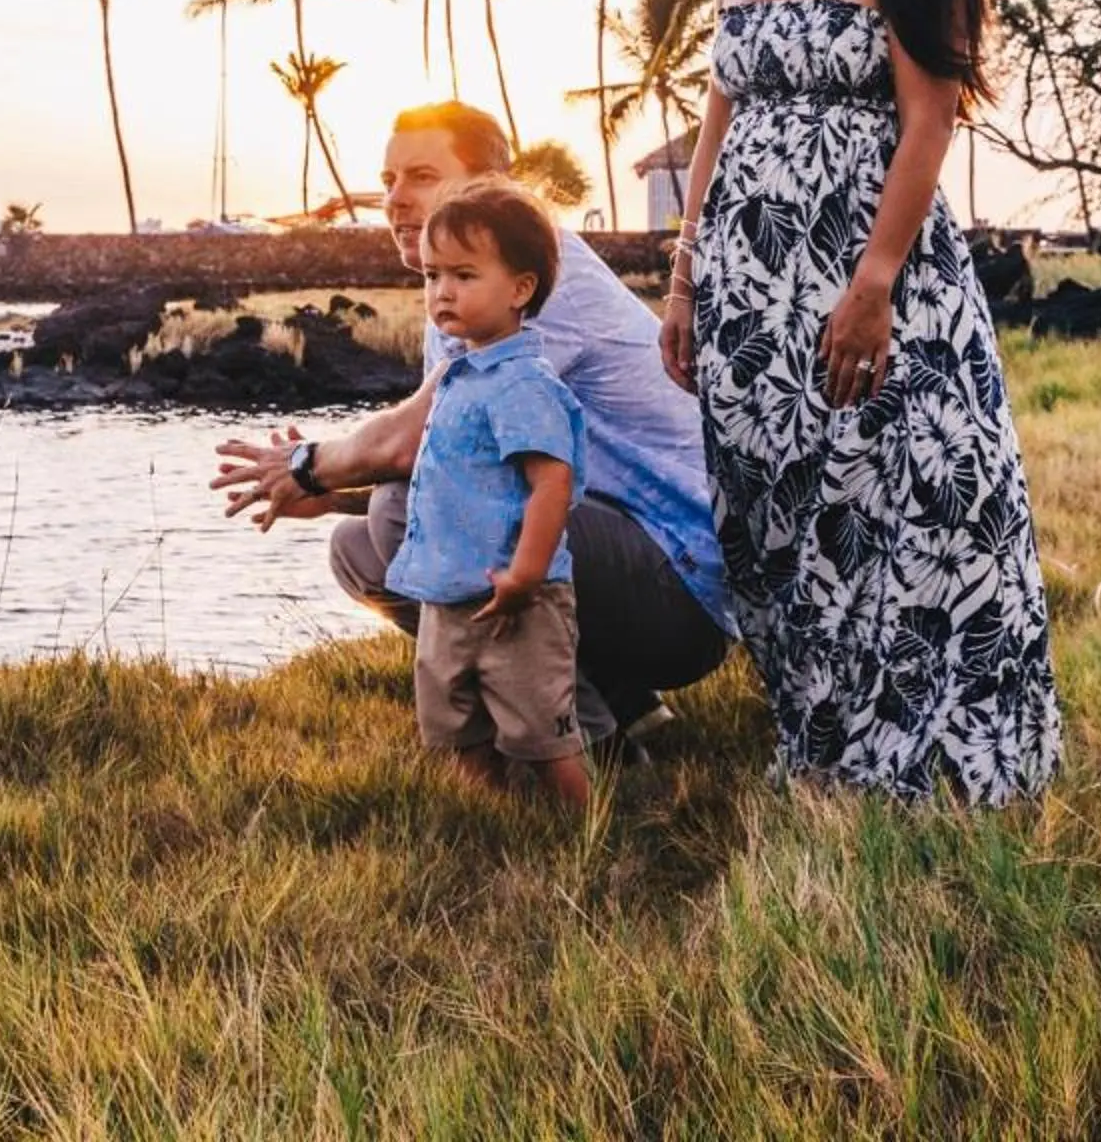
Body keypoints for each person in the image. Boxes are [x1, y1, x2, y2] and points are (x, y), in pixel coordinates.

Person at [660, 0, 1060, 806]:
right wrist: (685, 275)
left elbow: (929, 119)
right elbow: (717, 123)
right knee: (776, 516)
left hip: (876, 279)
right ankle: (824, 747)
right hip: (749, 291)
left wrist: (874, 284)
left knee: (918, 498)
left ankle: (941, 761)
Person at [213, 101, 734, 752]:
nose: (397, 200)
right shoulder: (464, 294)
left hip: (676, 585)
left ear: (493, 187)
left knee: (405, 508)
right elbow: (457, 455)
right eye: (389, 180)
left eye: (423, 177)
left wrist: (305, 464)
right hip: (608, 555)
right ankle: (620, 707)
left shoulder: (538, 275)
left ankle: (586, 745)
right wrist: (322, 495)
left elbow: (413, 445)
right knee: (358, 550)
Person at [392, 177, 592, 808]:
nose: (442, 292)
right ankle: (491, 818)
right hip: (448, 588)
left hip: (517, 597)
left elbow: (551, 480)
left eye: (464, 275)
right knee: (453, 724)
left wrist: (526, 574)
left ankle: (576, 825)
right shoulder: (460, 372)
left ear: (520, 288)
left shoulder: (520, 381)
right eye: (431, 276)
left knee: (539, 726)